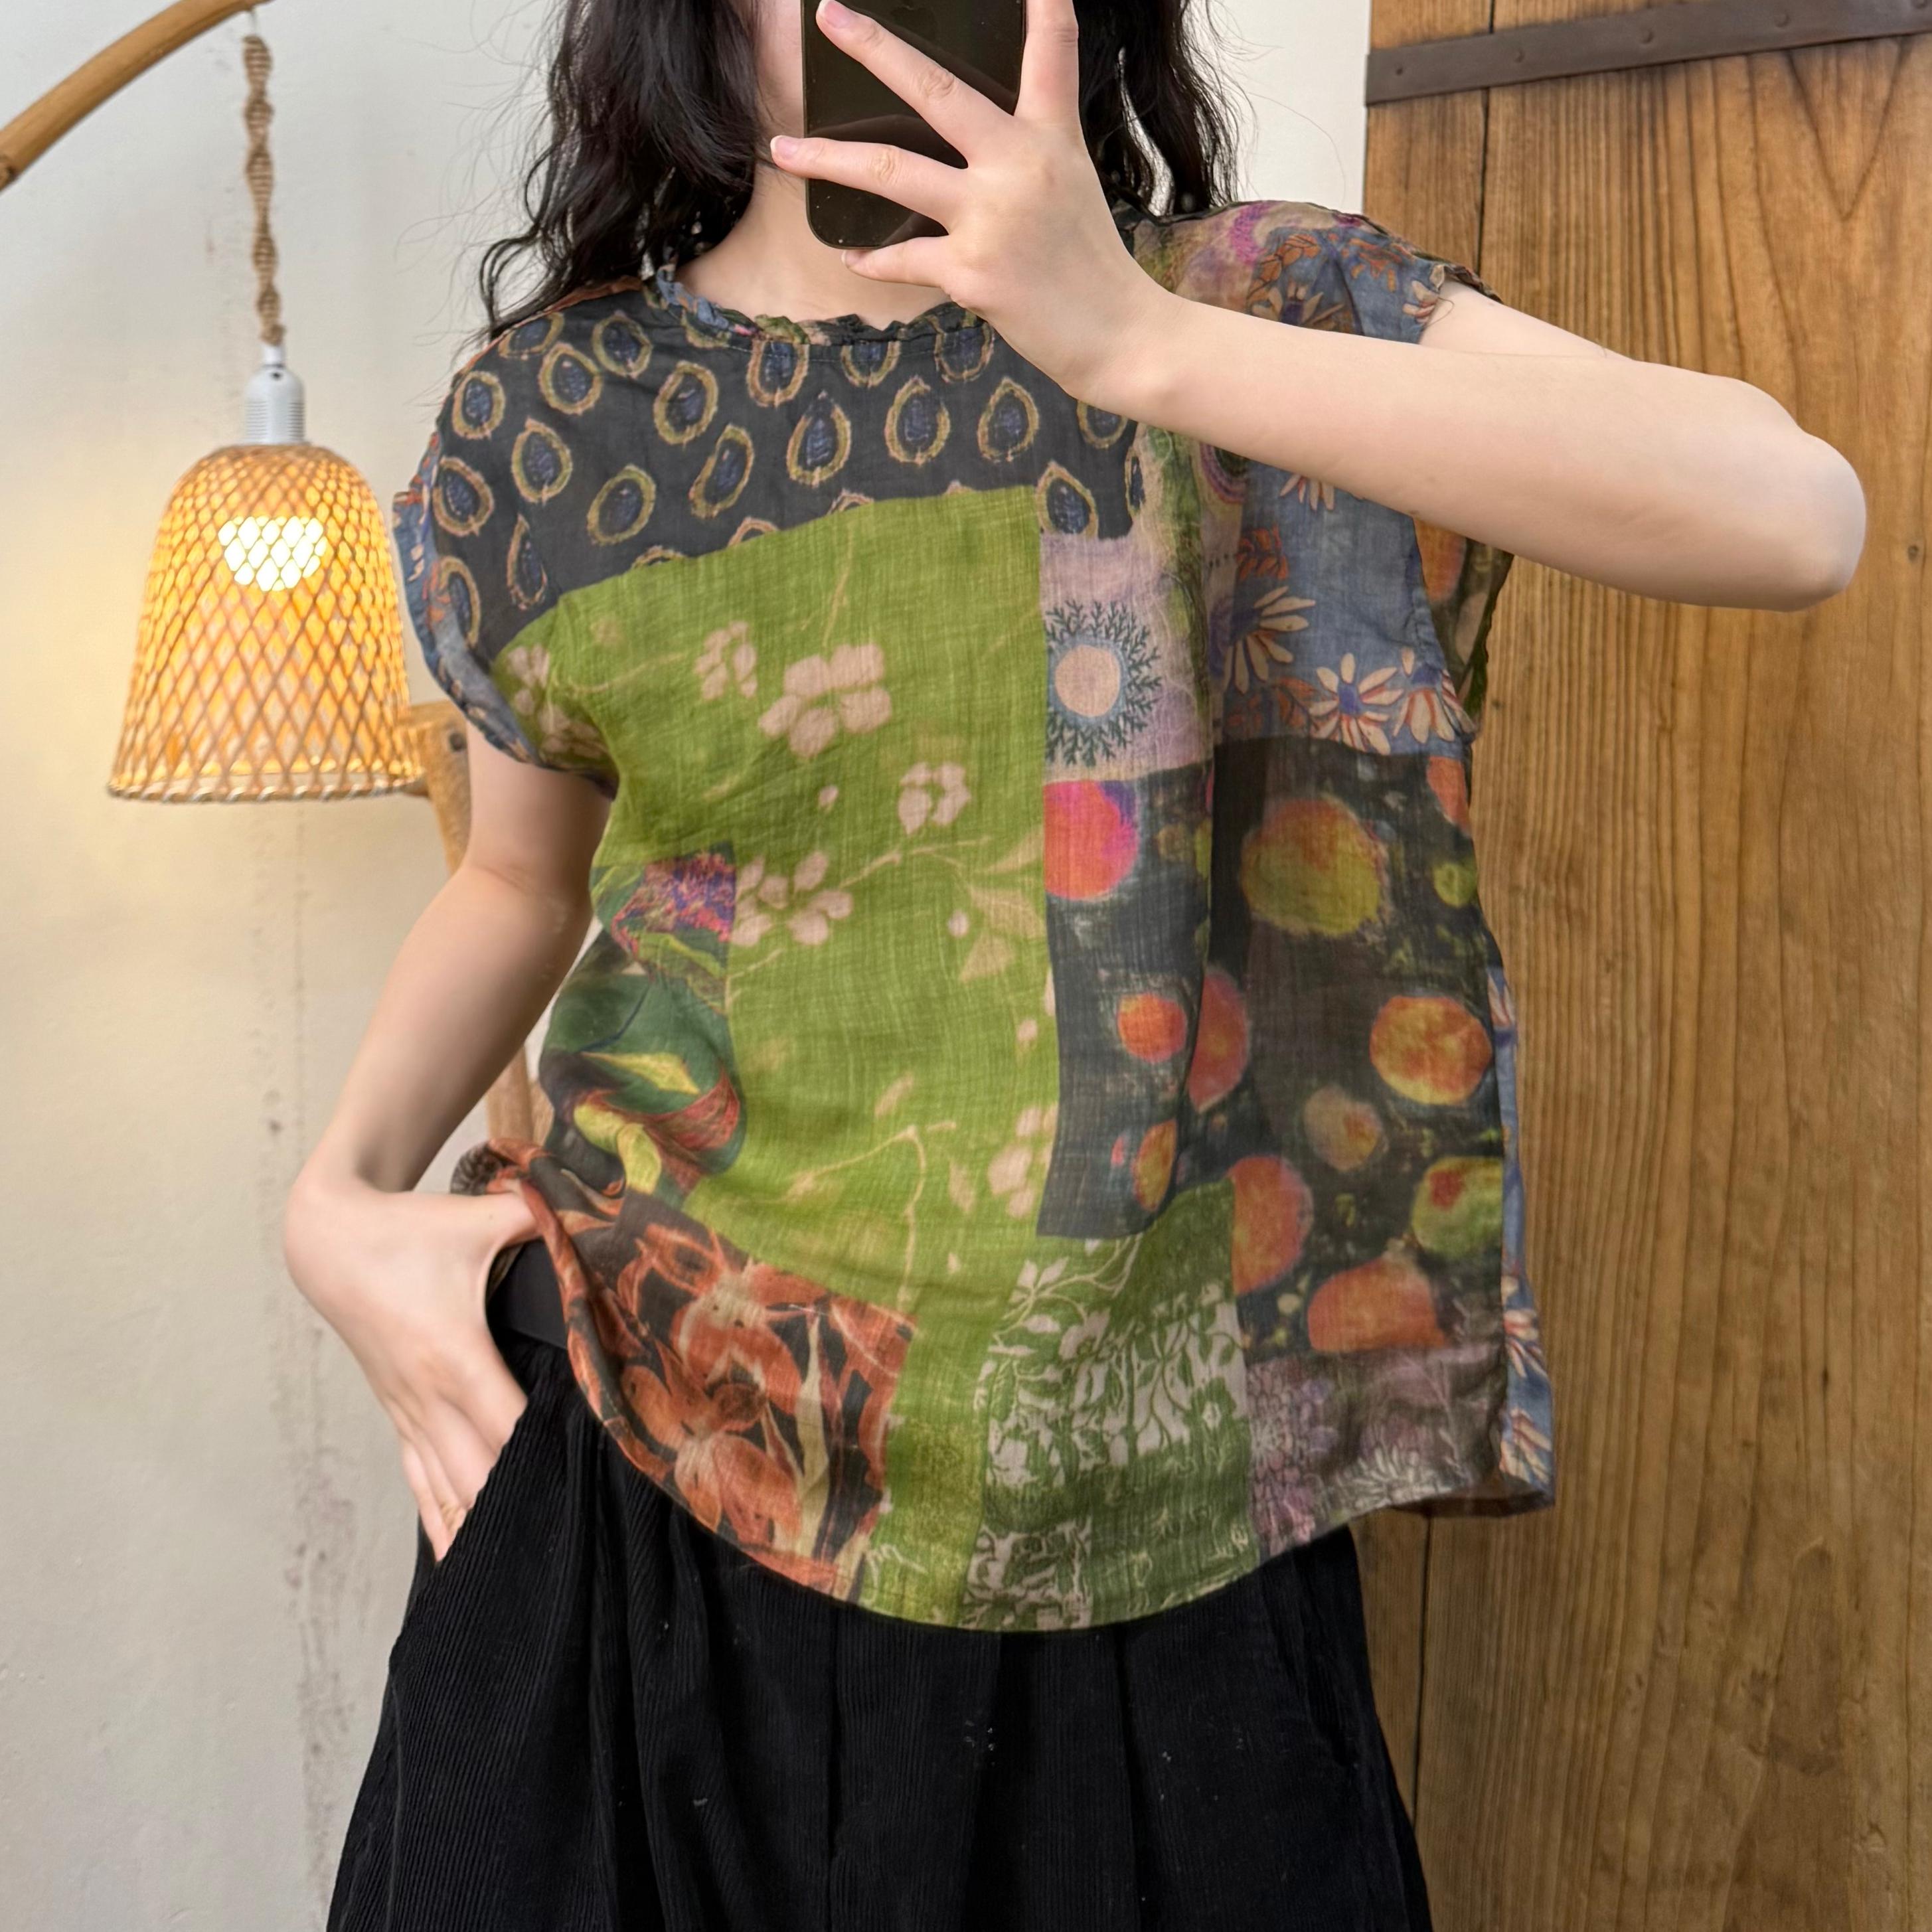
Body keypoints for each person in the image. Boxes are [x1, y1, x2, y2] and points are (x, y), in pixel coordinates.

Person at [283, 0, 1866, 1926]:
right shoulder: (550, 416)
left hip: (1163, 1509)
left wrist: (1133, 341)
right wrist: (332, 1197)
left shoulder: (1253, 307)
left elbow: (1795, 513)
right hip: (655, 1460)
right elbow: (519, 884)